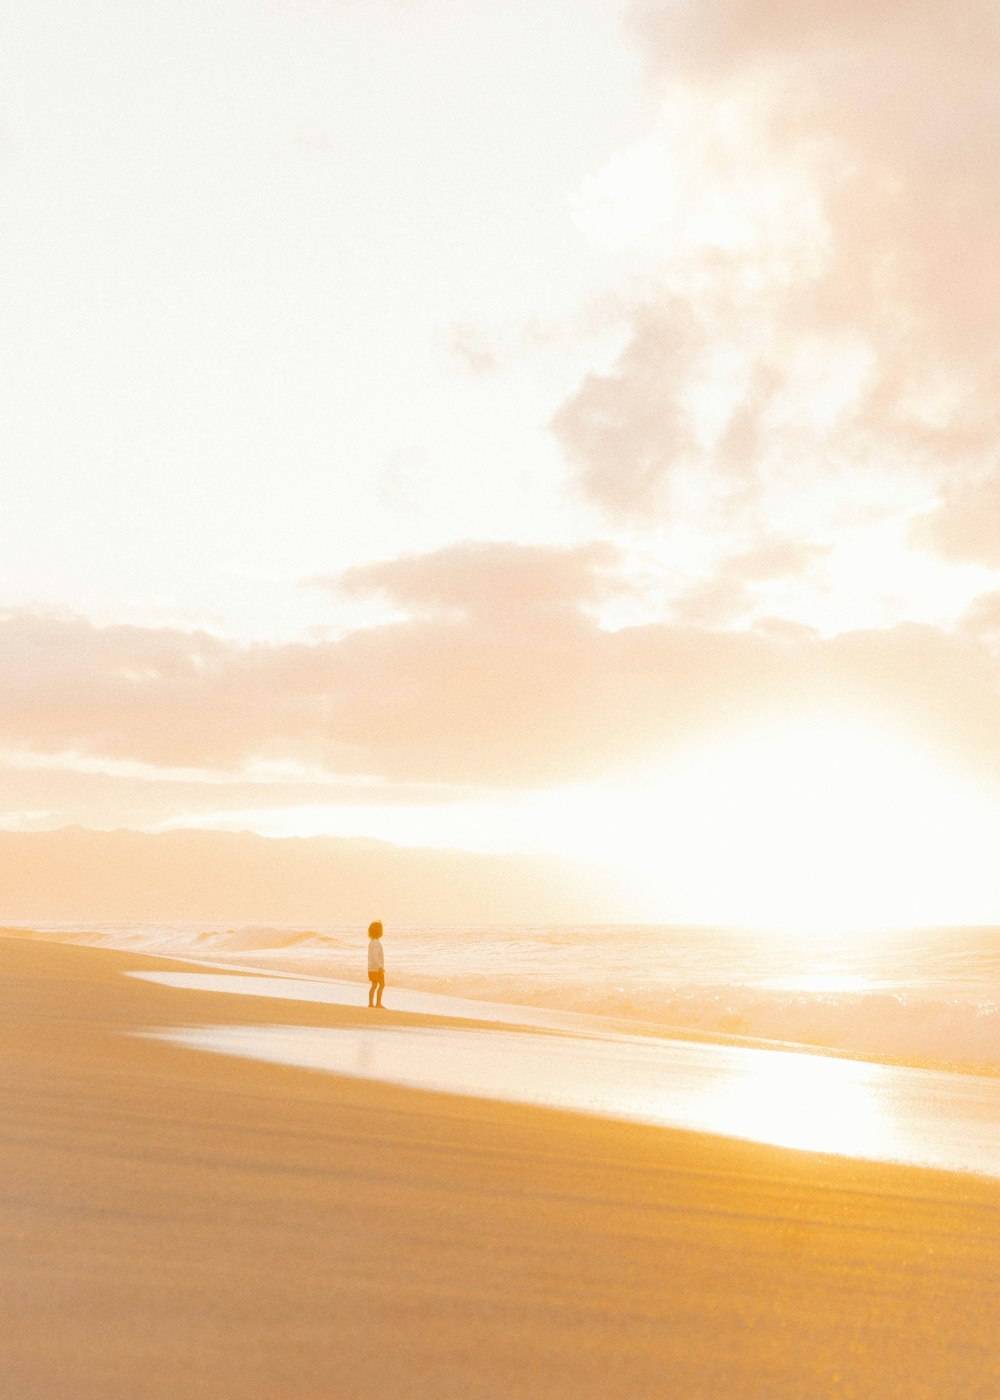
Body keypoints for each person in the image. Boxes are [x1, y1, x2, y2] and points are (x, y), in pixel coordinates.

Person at [367, 920, 385, 1008]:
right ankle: (378, 1003)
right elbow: (375, 956)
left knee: (374, 986)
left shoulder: (371, 942)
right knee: (382, 984)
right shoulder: (376, 943)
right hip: (376, 969)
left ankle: (371, 1003)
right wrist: (380, 967)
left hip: (370, 968)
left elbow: (372, 956)